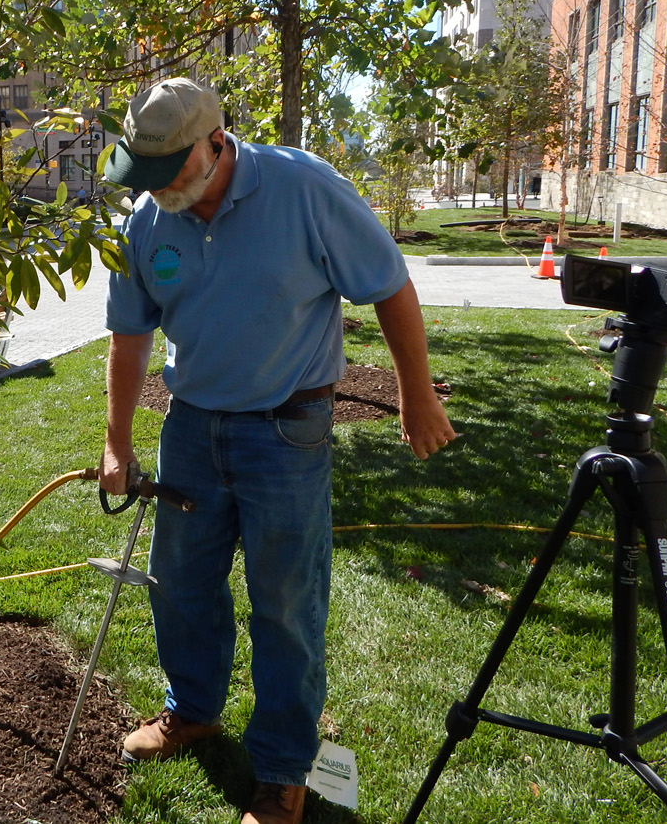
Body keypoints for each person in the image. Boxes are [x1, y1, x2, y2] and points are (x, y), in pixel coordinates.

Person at [99, 78, 455, 824]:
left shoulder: (304, 189)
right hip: (191, 429)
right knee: (181, 585)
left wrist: (415, 396)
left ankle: (283, 768)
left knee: (287, 605)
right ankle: (192, 710)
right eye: (145, 172)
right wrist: (116, 440)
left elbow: (389, 286)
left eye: (168, 169)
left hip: (287, 432)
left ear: (214, 143)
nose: (156, 188)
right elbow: (130, 336)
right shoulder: (146, 221)